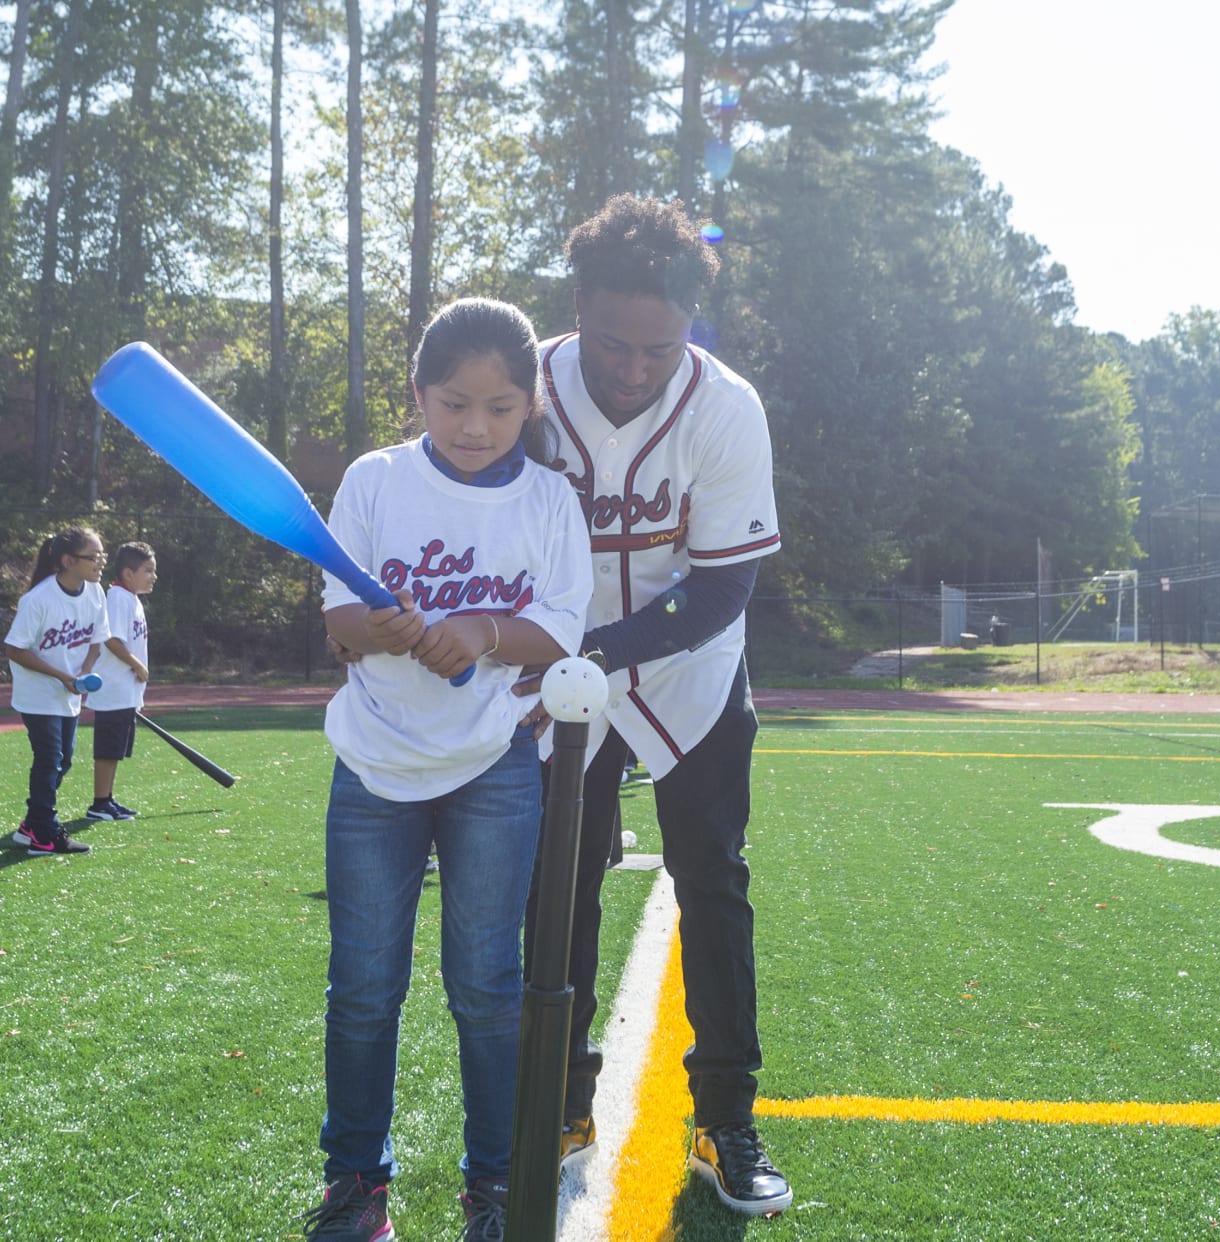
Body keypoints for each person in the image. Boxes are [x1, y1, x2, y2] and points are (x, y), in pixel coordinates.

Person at [298, 298, 593, 1242]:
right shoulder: (374, 481)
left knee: (486, 987)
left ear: (531, 402)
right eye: (454, 403)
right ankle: (356, 1185)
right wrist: (377, 627)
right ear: (420, 393)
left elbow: (562, 629)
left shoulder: (549, 501)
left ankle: (496, 1187)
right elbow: (337, 615)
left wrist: (483, 633)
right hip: (374, 768)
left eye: (501, 408)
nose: (476, 427)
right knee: (364, 988)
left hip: (495, 766)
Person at [522, 194, 791, 1216]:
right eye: (611, 343)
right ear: (577, 306)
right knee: (559, 888)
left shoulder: (725, 408)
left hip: (690, 671)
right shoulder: (524, 386)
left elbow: (721, 588)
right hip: (557, 674)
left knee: (713, 883)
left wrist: (599, 649)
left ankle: (726, 1122)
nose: (634, 368)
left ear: (690, 324)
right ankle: (558, 1103)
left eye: (658, 347)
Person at [3, 527, 110, 856]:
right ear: (67, 561)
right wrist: (61, 675)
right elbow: (15, 649)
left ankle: (31, 825)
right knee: (49, 760)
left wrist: (83, 672)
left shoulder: (95, 592)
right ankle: (45, 833)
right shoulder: (38, 599)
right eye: (93, 557)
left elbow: (97, 640)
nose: (100, 563)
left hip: (69, 692)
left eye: (102, 556)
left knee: (63, 762)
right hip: (38, 693)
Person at [82, 541, 156, 821]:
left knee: (116, 750)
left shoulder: (131, 599)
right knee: (107, 749)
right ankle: (99, 803)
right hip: (112, 687)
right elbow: (111, 638)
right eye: (148, 570)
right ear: (128, 573)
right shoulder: (116, 598)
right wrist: (136, 664)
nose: (153, 576)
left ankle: (108, 799)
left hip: (127, 691)